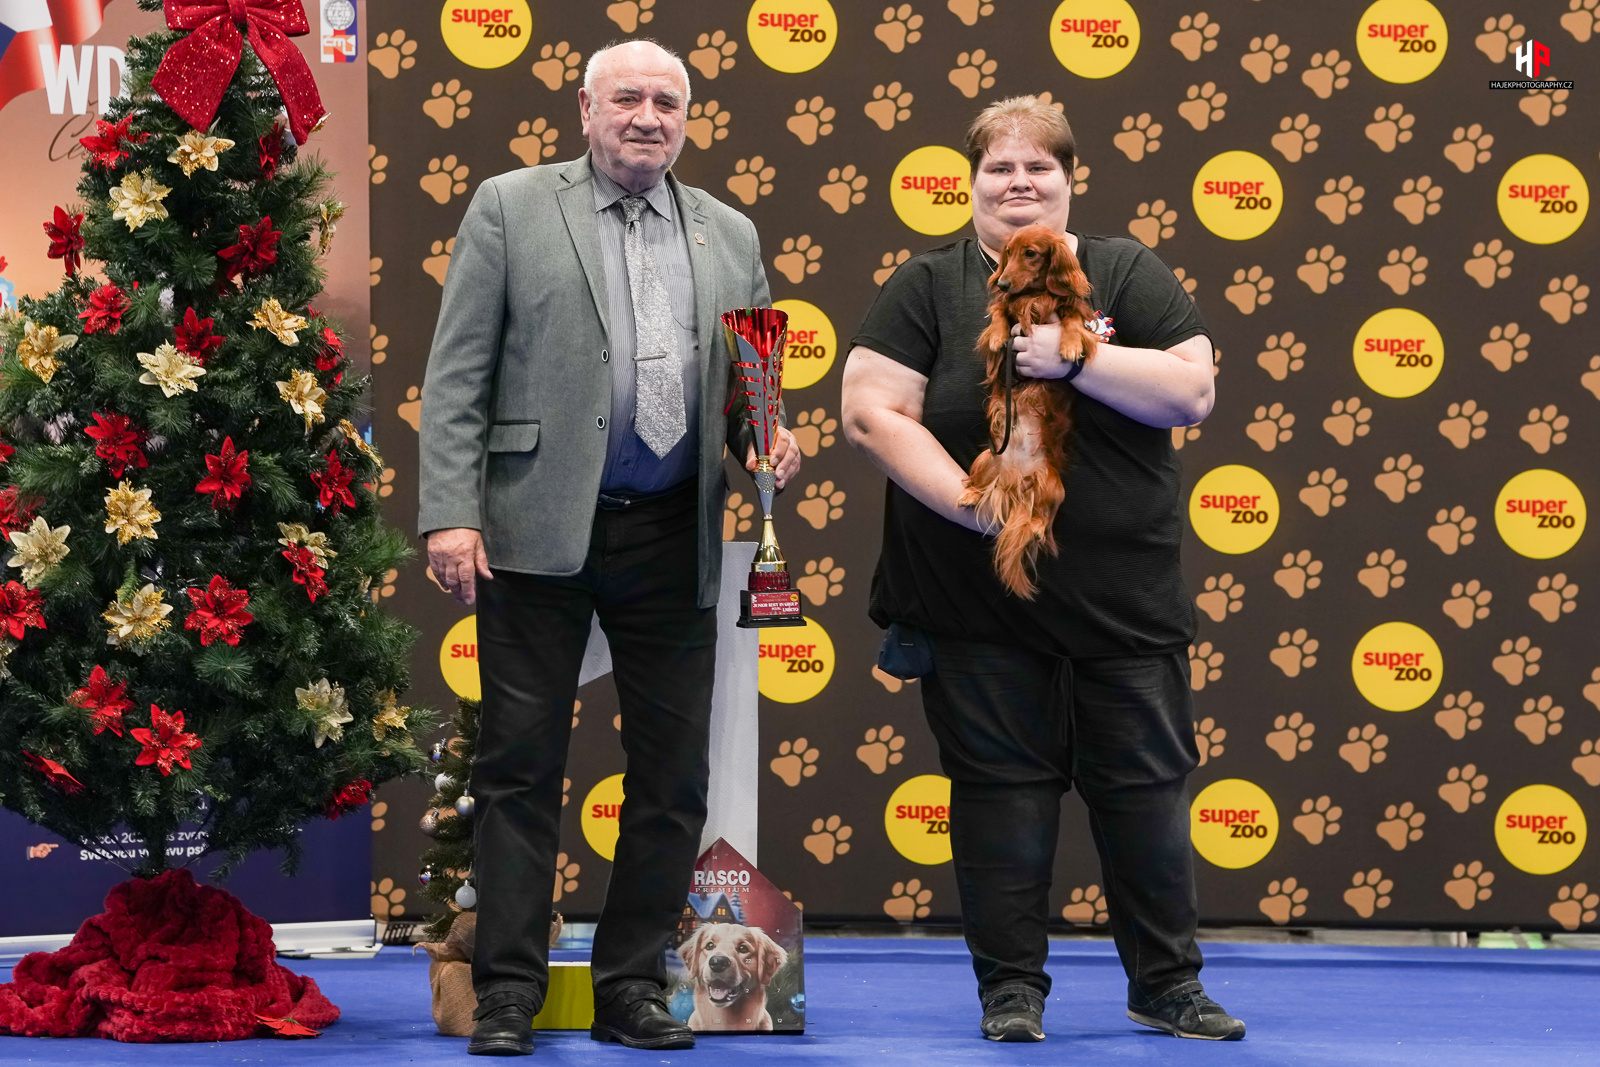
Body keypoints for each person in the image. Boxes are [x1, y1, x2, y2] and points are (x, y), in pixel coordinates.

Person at [417, 40, 798, 1056]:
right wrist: (450, 510)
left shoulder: (731, 232)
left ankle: (630, 986)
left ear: (687, 119)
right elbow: (457, 372)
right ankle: (507, 990)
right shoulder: (509, 207)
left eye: (667, 101)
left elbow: (753, 385)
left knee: (672, 778)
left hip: (673, 530)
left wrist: (767, 437)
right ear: (584, 107)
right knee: (518, 768)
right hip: (534, 526)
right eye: (626, 97)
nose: (647, 116)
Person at [840, 96, 1243, 1043]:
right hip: (975, 600)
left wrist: (1078, 358)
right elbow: (869, 408)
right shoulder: (927, 285)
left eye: (1040, 168)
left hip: (1120, 600)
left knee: (1145, 797)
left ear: (1069, 180)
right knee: (1000, 801)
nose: (1019, 183)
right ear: (971, 183)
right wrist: (970, 502)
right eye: (1000, 168)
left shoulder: (1126, 271)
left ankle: (1168, 985)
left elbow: (1191, 388)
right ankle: (1011, 992)